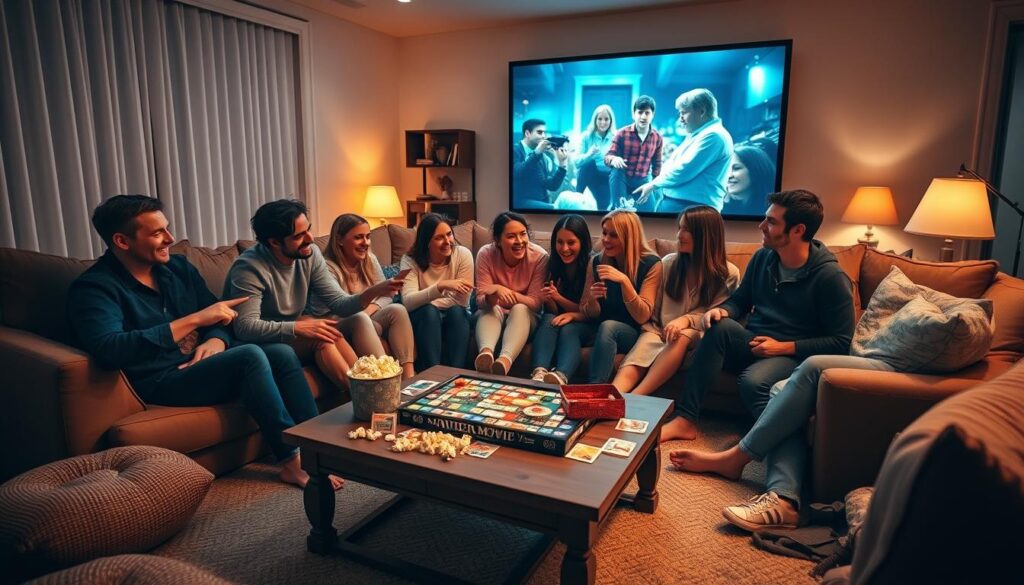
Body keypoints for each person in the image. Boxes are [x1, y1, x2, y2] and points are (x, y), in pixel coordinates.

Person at [67, 195, 336, 489]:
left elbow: (220, 316)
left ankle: (321, 448)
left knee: (282, 353)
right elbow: (110, 349)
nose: (170, 239)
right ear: (122, 241)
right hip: (162, 377)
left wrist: (217, 340)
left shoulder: (178, 268)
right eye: (157, 233)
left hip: (205, 359)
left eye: (167, 229)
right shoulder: (95, 288)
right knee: (249, 355)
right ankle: (291, 461)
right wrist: (194, 321)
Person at [660, 189, 855, 442]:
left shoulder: (830, 278)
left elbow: (841, 342)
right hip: (753, 341)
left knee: (753, 382)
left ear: (798, 230)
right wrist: (723, 310)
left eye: (772, 222)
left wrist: (783, 347)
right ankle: (685, 420)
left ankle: (775, 444)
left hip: (791, 353)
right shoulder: (763, 257)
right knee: (719, 326)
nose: (761, 226)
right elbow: (741, 300)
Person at [668, 353, 897, 531]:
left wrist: (786, 347)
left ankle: (737, 459)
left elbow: (840, 338)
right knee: (779, 388)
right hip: (869, 355)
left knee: (813, 366)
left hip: (893, 361)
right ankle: (783, 497)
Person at [224, 199, 402, 392]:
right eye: (299, 235)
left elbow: (340, 303)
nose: (310, 238)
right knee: (320, 336)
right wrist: (297, 327)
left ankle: (380, 389)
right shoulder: (248, 268)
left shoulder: (310, 254)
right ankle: (365, 396)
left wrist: (374, 291)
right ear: (274, 242)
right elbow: (245, 327)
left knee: (329, 332)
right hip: (257, 340)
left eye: (308, 229)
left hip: (292, 327)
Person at [612, 206, 740, 395]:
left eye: (686, 229)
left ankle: (635, 398)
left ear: (705, 235)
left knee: (683, 335)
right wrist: (656, 329)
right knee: (647, 343)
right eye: (679, 228)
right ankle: (609, 397)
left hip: (699, 339)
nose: (679, 235)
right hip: (661, 332)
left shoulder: (728, 273)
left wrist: (685, 320)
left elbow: (719, 315)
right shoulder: (668, 263)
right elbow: (653, 316)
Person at [313, 213, 416, 379]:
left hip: (367, 317)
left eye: (368, 237)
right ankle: (385, 378)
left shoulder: (369, 259)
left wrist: (368, 311)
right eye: (358, 237)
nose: (365, 243)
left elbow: (387, 294)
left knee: (397, 309)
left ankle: (409, 376)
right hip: (338, 323)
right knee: (360, 318)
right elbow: (332, 310)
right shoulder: (326, 267)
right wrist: (363, 314)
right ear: (339, 240)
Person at [578, 210, 663, 383]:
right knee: (568, 328)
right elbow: (587, 312)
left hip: (632, 332)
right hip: (599, 327)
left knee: (609, 326)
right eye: (604, 233)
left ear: (629, 237)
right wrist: (593, 301)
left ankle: (594, 391)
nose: (606, 240)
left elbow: (642, 316)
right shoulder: (597, 261)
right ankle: (555, 379)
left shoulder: (651, 264)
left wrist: (624, 281)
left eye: (614, 235)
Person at [634, 88, 734, 214]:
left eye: (684, 113)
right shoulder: (699, 134)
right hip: (684, 207)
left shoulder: (714, 136)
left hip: (692, 209)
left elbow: (684, 169)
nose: (680, 119)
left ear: (702, 111)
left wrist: (653, 185)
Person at [474, 212, 549, 376]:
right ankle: (486, 355)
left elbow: (535, 303)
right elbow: (480, 300)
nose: (519, 241)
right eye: (511, 236)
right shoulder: (485, 254)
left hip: (526, 318)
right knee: (490, 308)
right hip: (494, 314)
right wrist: (492, 296)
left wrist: (505, 292)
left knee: (520, 309)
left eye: (523, 234)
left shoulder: (540, 257)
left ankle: (504, 361)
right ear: (497, 240)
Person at [399, 213, 474, 370]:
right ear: (426, 242)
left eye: (449, 234)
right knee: (429, 311)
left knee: (456, 312)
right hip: (425, 317)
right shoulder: (409, 260)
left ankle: (456, 373)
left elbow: (462, 301)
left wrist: (427, 297)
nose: (447, 242)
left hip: (455, 313)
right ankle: (434, 373)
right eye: (439, 238)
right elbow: (408, 301)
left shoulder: (462, 255)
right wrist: (441, 286)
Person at [529, 214, 593, 384]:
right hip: (561, 318)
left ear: (583, 242)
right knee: (549, 318)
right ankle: (539, 373)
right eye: (560, 242)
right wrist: (549, 298)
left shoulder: (592, 264)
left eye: (571, 243)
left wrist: (558, 297)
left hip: (588, 322)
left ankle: (561, 376)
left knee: (568, 328)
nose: (564, 248)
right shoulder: (553, 263)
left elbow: (589, 311)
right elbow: (553, 311)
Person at [605, 96, 663, 213]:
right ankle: (614, 207)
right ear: (633, 114)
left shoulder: (657, 138)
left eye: (647, 113)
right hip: (621, 177)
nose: (643, 117)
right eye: (640, 112)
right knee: (620, 212)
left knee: (650, 213)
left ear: (653, 114)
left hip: (643, 180)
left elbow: (657, 165)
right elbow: (608, 157)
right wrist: (614, 159)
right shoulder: (621, 134)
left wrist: (653, 185)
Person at [513, 118, 569, 209]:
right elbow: (517, 173)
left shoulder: (542, 156)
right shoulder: (515, 150)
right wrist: (537, 153)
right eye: (539, 132)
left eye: (544, 133)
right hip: (520, 201)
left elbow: (551, 185)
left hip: (542, 201)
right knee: (556, 208)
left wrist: (562, 164)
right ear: (527, 133)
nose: (543, 136)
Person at [573, 104, 617, 210]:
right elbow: (576, 162)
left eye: (606, 119)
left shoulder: (616, 137)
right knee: (589, 163)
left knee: (602, 207)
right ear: (595, 120)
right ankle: (577, 197)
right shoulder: (586, 136)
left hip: (607, 177)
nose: (603, 122)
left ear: (611, 121)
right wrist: (589, 154)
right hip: (589, 175)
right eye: (600, 119)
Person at [723, 144, 776, 217]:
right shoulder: (719, 208)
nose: (728, 175)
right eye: (726, 169)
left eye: (736, 168)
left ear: (755, 170)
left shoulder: (774, 209)